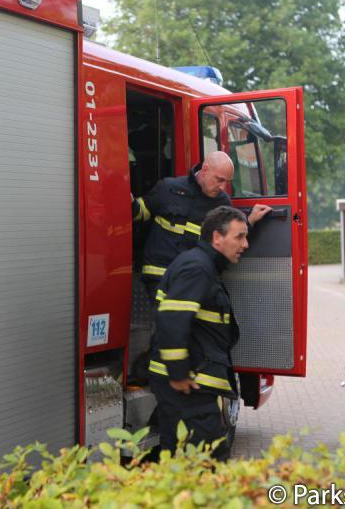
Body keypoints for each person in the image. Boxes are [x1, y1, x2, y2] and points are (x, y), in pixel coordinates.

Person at [147, 205, 248, 461]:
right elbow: (172, 318)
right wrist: (179, 373)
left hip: (190, 383)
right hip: (188, 386)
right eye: (239, 236)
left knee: (179, 458)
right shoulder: (197, 268)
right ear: (217, 237)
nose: (245, 244)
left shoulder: (203, 265)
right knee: (208, 460)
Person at [132, 151, 271, 301]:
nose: (223, 187)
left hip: (192, 277)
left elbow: (229, 239)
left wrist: (250, 221)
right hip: (158, 275)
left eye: (227, 182)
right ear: (205, 170)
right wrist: (127, 200)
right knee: (172, 313)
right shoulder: (169, 188)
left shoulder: (222, 203)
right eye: (219, 180)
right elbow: (140, 212)